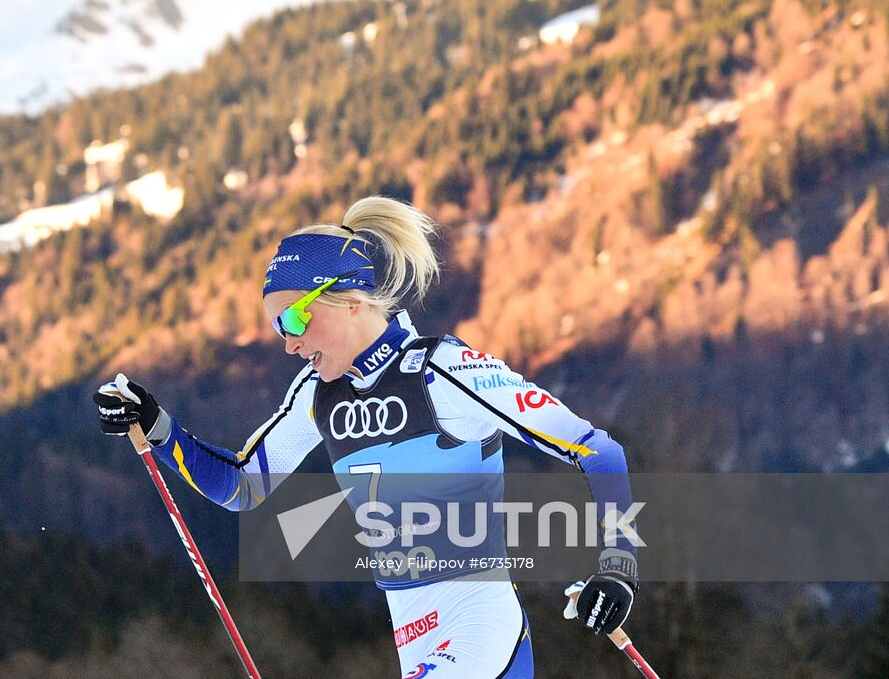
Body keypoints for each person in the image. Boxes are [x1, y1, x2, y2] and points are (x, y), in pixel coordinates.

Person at [95, 196, 638, 677]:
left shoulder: (442, 371)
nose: (287, 345)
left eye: (293, 322)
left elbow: (596, 449)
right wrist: (158, 427)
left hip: (480, 627)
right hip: (412, 634)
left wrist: (618, 567)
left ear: (350, 302)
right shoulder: (316, 393)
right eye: (277, 328)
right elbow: (242, 486)